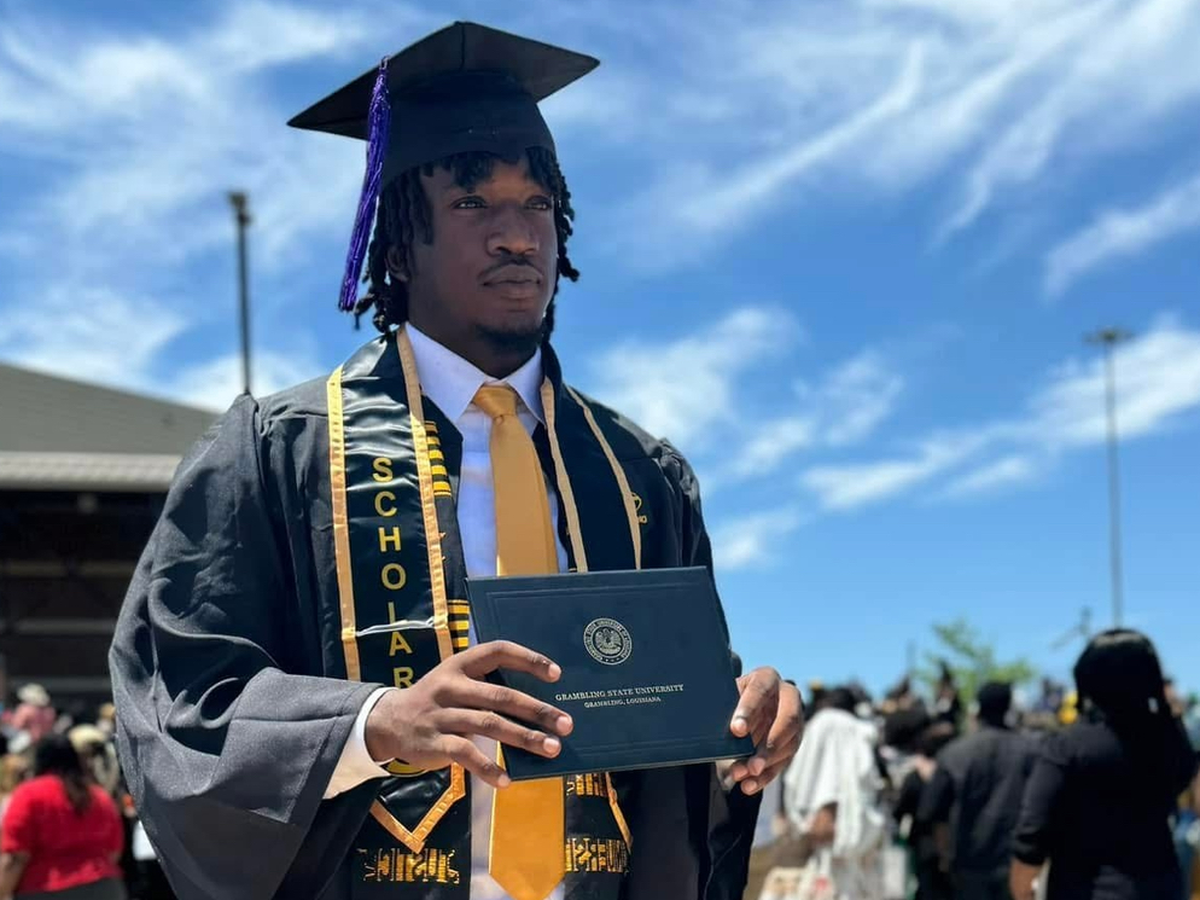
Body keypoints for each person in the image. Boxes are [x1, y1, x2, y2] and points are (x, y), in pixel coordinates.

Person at [109, 20, 803, 900]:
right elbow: (178, 706)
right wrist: (372, 724)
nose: (518, 235)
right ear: (399, 242)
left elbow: (669, 760)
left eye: (538, 204)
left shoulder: (639, 476)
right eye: (473, 203)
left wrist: (744, 727)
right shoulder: (276, 453)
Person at [1011, 630, 1199, 900]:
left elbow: (1032, 833)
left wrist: (1023, 892)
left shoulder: (1067, 747)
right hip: (1162, 887)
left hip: (1088, 889)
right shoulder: (1172, 739)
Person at [919, 682, 1035, 900]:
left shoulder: (954, 753)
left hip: (967, 864)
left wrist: (945, 856)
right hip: (1015, 863)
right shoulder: (1031, 751)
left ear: (978, 709)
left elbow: (935, 813)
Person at [779, 687, 887, 900]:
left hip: (827, 825)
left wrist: (822, 811)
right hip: (851, 833)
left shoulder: (825, 723)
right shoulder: (857, 728)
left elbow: (824, 779)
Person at [0, 734, 126, 899]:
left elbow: (15, 857)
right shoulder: (99, 796)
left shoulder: (28, 795)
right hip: (104, 886)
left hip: (46, 889)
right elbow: (114, 851)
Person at [893, 721, 957, 900]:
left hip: (923, 846)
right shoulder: (956, 773)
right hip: (953, 846)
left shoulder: (914, 777)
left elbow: (900, 810)